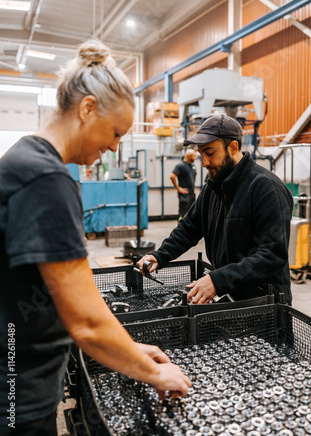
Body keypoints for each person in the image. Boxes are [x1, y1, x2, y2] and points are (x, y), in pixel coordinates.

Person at [0, 40, 191, 436]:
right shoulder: (47, 180)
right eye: (116, 131)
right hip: (18, 391)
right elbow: (86, 321)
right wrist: (154, 375)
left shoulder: (24, 159)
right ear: (87, 109)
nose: (114, 146)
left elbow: (51, 299)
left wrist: (129, 350)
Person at [138, 114, 293, 305]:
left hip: (264, 303)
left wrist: (218, 280)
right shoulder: (213, 186)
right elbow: (189, 227)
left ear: (233, 147)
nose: (204, 163)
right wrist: (159, 255)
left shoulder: (265, 188)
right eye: (201, 155)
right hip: (231, 296)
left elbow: (272, 255)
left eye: (210, 153)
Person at [170, 149, 197, 220]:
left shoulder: (192, 165)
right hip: (184, 195)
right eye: (194, 156)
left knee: (192, 214)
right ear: (189, 156)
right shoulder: (180, 165)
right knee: (183, 214)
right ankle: (181, 228)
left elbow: (194, 175)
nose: (195, 158)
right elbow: (172, 176)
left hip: (191, 194)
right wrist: (178, 188)